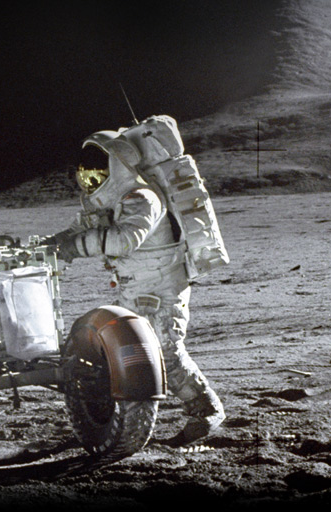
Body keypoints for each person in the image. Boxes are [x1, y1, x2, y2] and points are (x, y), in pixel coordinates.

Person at [44, 128, 226, 446]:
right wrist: (46, 248)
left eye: (97, 174)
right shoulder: (108, 205)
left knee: (166, 351)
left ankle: (206, 410)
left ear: (117, 168)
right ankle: (115, 416)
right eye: (85, 177)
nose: (90, 182)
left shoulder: (143, 198)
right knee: (123, 352)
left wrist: (73, 248)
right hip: (133, 289)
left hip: (163, 288)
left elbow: (125, 239)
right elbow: (77, 230)